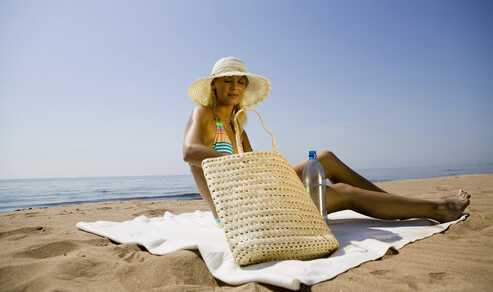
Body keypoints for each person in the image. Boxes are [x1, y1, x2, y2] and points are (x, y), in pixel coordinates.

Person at [183, 56, 470, 224]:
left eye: (240, 81)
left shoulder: (239, 126)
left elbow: (252, 169)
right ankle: (438, 209)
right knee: (344, 193)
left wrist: (261, 167)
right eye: (228, 80)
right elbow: (190, 151)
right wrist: (245, 163)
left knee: (326, 157)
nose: (235, 86)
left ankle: (392, 203)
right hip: (239, 213)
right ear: (214, 84)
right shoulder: (205, 114)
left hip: (256, 192)